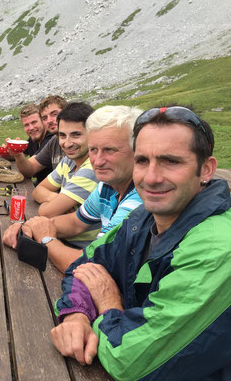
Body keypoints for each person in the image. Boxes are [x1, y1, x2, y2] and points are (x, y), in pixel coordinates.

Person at [51, 107, 231, 380]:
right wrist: (76, 315)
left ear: (205, 169)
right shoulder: (144, 217)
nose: (151, 178)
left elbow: (129, 359)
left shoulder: (217, 247)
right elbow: (85, 265)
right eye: (143, 160)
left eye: (170, 161)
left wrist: (109, 304)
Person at [3, 106, 143, 273]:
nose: (97, 162)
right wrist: (31, 226)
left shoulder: (139, 201)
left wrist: (46, 238)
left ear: (138, 150)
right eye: (93, 150)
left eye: (109, 150)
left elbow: (90, 265)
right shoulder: (107, 186)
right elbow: (76, 222)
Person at [30, 102, 99, 249]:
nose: (67, 144)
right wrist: (56, 198)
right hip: (62, 238)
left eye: (76, 135)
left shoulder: (92, 168)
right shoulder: (69, 159)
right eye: (62, 135)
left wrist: (51, 203)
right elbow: (37, 190)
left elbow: (45, 211)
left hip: (79, 249)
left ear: (92, 134)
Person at [10, 95, 67, 180]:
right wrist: (17, 153)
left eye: (54, 114)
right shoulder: (54, 141)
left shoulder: (50, 138)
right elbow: (30, 169)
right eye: (45, 118)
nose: (49, 121)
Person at [8, 103, 54, 183]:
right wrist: (9, 149)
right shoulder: (34, 138)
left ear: (43, 120)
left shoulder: (51, 139)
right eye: (26, 125)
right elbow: (22, 154)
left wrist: (18, 154)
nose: (31, 128)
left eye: (34, 122)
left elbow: (29, 170)